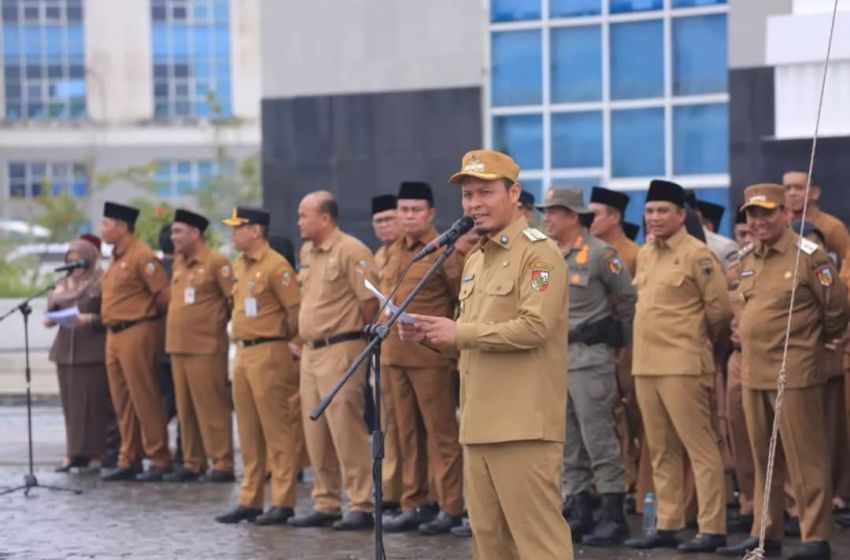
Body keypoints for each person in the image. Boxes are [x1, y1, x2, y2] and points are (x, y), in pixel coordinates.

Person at [399, 150, 574, 560]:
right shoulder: (476, 258)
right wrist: (431, 334)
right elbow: (472, 336)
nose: (473, 204)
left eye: (485, 192)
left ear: (514, 193)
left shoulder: (540, 253)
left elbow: (535, 327)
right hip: (478, 424)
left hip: (522, 427)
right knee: (489, 544)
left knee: (538, 544)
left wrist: (459, 331)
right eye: (467, 195)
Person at [717, 184, 850, 560]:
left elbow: (837, 310)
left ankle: (815, 537)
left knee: (805, 457)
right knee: (763, 458)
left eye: (767, 213)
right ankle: (766, 532)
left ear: (786, 214)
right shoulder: (748, 258)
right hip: (753, 371)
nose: (758, 221)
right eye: (752, 214)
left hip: (795, 371)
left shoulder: (809, 256)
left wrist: (815, 343)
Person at [625, 180, 732, 553]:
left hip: (683, 365)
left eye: (662, 211)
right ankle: (668, 524)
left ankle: (712, 527)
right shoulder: (645, 253)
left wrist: (697, 342)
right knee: (661, 449)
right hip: (646, 365)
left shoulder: (697, 255)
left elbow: (720, 312)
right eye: (650, 211)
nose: (654, 218)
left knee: (700, 448)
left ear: (681, 215)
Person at [538, 187, 636, 546]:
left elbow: (628, 299)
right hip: (556, 360)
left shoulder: (600, 254)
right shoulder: (547, 255)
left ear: (572, 216)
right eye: (546, 211)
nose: (546, 218)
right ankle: (578, 508)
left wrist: (624, 345)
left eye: (553, 212)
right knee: (567, 440)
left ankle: (612, 513)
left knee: (598, 437)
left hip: (590, 357)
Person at [288, 191, 378, 531]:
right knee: (316, 430)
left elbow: (369, 302)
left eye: (304, 215)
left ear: (325, 218)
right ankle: (325, 501)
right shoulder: (307, 252)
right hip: (311, 352)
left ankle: (361, 502)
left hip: (341, 347)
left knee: (346, 427)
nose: (299, 222)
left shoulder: (351, 251)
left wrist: (355, 339)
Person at [381, 181, 465, 535]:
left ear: (431, 214)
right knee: (406, 435)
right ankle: (414, 502)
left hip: (431, 359)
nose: (409, 216)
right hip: (394, 355)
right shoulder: (392, 250)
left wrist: (454, 345)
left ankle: (451, 506)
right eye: (404, 210)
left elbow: (462, 299)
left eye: (416, 210)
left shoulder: (444, 251)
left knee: (441, 434)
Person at [214, 207, 302, 525]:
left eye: (238, 228)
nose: (233, 234)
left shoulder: (276, 265)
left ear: (256, 230)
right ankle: (250, 499)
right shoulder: (240, 264)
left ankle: (282, 501)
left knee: (277, 431)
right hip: (243, 352)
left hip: (269, 351)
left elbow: (294, 311)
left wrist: (282, 339)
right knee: (248, 431)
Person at [99, 202, 172, 482]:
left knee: (144, 396)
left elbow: (163, 295)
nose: (102, 229)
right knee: (122, 401)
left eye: (106, 224)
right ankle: (129, 457)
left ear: (122, 227)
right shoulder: (116, 256)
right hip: (114, 333)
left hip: (137, 330)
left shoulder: (142, 255)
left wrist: (149, 322)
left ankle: (159, 457)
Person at [163, 209, 235, 483]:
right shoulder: (179, 262)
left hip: (206, 346)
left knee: (211, 407)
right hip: (178, 346)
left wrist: (216, 323)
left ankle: (222, 463)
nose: (173, 237)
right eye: (173, 232)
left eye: (178, 231)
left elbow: (233, 299)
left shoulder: (217, 262)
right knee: (186, 410)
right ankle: (193, 462)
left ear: (195, 234)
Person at [46, 236, 110, 472]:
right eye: (70, 261)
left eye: (79, 261)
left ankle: (96, 453)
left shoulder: (101, 282)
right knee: (71, 406)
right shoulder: (62, 285)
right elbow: (49, 317)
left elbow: (112, 315)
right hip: (65, 352)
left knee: (93, 405)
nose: (74, 266)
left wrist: (90, 319)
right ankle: (74, 453)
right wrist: (51, 315)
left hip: (92, 351)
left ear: (90, 260)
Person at [370, 193, 406, 512]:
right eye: (378, 221)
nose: (383, 226)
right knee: (387, 423)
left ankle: (406, 492)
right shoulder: (379, 255)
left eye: (388, 219)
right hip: (385, 350)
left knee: (407, 427)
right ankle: (391, 491)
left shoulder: (409, 253)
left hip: (410, 349)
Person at [783, 169, 850, 258]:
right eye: (787, 189)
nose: (792, 193)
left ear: (815, 193)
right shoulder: (779, 224)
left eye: (799, 188)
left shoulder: (833, 227)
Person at [589, 186, 639, 277]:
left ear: (615, 217)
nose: (589, 219)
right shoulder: (584, 250)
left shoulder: (635, 254)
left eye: (595, 214)